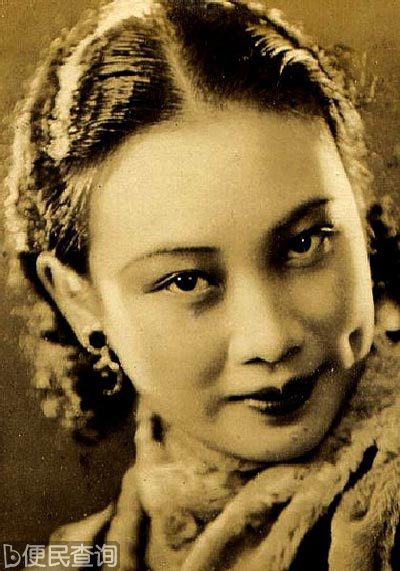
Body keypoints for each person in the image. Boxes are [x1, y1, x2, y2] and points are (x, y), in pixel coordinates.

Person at [5, 0, 400, 569]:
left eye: (305, 243)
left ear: (358, 216)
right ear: (78, 300)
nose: (271, 339)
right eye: (186, 280)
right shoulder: (66, 558)